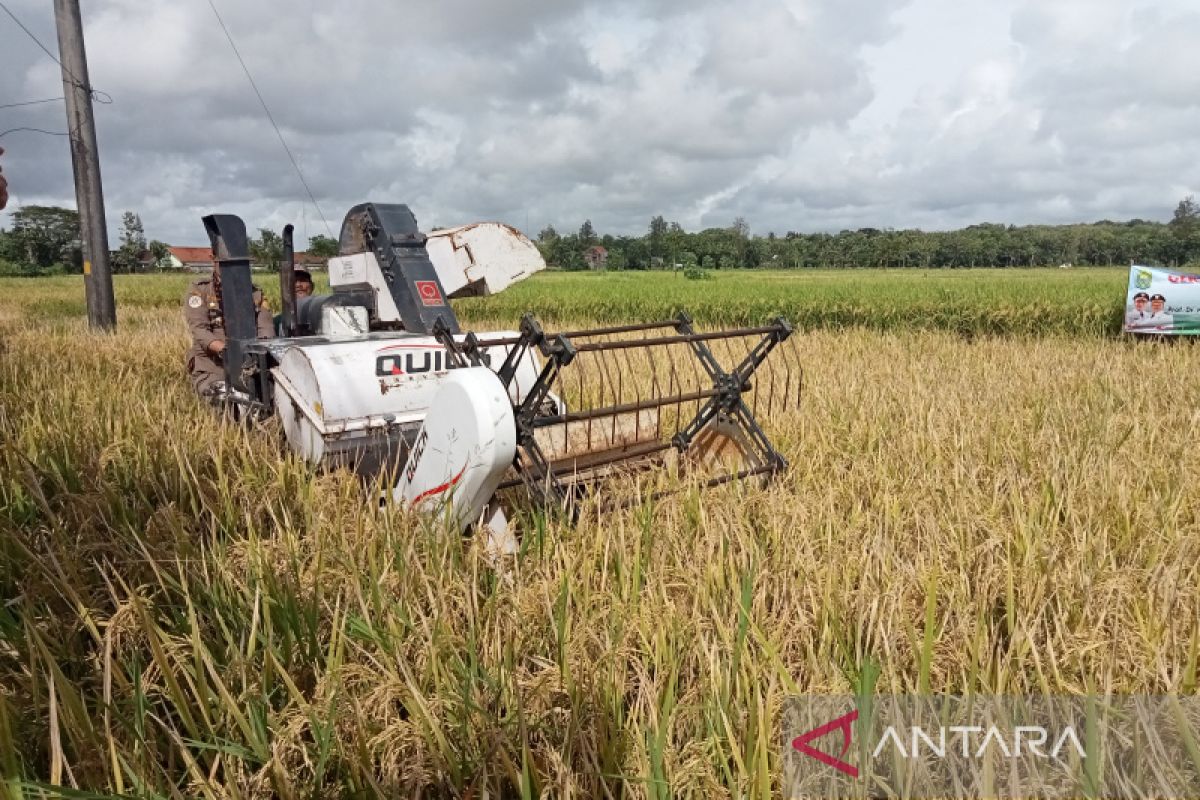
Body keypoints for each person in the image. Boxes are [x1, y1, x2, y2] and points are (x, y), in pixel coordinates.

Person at [183, 260, 274, 400]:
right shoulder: (200, 290)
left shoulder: (255, 293)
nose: (232, 268)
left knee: (270, 398)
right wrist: (226, 350)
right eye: (225, 263)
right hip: (212, 366)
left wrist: (257, 354)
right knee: (223, 401)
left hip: (250, 365)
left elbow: (266, 329)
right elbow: (200, 330)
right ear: (213, 258)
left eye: (238, 264)